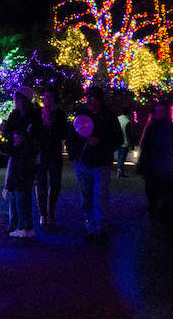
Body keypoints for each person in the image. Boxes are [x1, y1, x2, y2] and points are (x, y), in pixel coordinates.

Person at [66, 87, 123, 243]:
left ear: (99, 100)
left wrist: (101, 141)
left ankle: (101, 229)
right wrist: (75, 154)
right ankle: (92, 228)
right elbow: (71, 136)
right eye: (88, 98)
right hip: (83, 161)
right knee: (87, 197)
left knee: (100, 196)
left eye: (93, 98)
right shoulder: (81, 115)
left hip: (101, 162)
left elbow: (117, 139)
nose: (89, 101)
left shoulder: (109, 117)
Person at [0, 120, 38, 238]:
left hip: (20, 183)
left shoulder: (19, 152)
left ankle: (22, 228)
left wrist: (8, 186)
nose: (14, 140)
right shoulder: (27, 149)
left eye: (16, 138)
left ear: (22, 138)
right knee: (25, 205)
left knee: (21, 206)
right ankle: (28, 228)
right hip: (24, 182)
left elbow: (14, 170)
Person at [33, 88, 68, 225]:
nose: (47, 100)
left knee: (55, 183)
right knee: (41, 183)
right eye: (46, 97)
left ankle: (50, 209)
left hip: (54, 152)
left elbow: (64, 132)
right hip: (41, 152)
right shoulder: (38, 114)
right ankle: (43, 213)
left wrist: (53, 127)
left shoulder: (60, 115)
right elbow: (34, 131)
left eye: (50, 97)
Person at [137, 100, 173, 214]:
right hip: (152, 164)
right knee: (150, 188)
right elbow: (146, 146)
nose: (159, 113)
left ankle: (162, 207)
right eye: (157, 111)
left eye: (161, 111)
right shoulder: (151, 128)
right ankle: (153, 206)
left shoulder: (170, 128)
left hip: (164, 164)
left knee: (163, 188)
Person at [116, 108, 131, 178]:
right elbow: (129, 133)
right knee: (122, 157)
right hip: (125, 142)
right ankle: (120, 170)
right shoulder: (127, 121)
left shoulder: (117, 119)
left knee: (119, 156)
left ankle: (120, 171)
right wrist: (131, 143)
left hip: (118, 141)